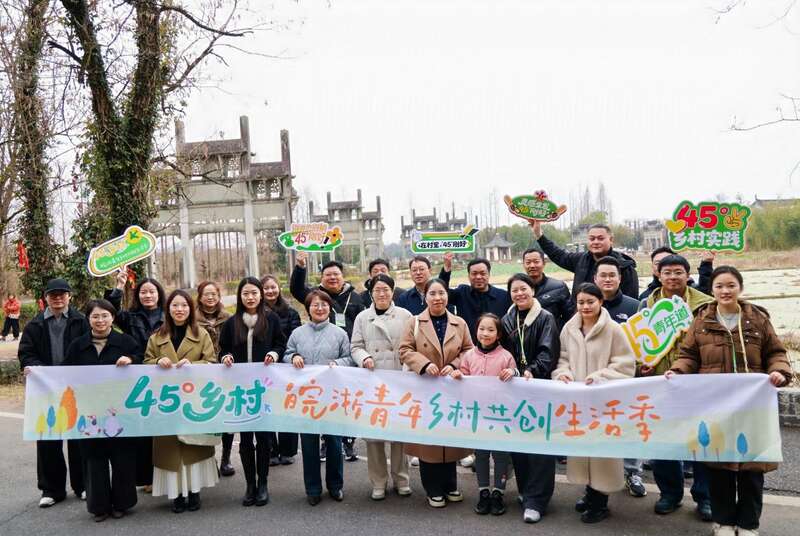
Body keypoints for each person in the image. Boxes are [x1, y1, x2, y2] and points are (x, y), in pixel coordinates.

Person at [667, 266, 793, 536]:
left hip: (753, 406)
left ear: (740, 288)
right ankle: (723, 522)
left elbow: (776, 352)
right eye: (720, 286)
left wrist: (779, 372)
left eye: (731, 285)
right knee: (719, 466)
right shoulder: (701, 320)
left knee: (752, 468)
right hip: (716, 406)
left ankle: (748, 524)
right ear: (712, 290)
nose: (725, 291)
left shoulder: (757, 318)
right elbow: (689, 355)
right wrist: (678, 371)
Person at [553, 283, 635, 523]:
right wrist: (563, 374)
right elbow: (562, 359)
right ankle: (590, 492)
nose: (585, 306)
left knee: (602, 452)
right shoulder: (569, 328)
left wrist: (601, 377)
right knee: (583, 448)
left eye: (590, 301)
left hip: (604, 402)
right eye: (581, 302)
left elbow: (625, 364)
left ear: (601, 302)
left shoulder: (614, 329)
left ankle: (600, 502)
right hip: (578, 402)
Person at [642, 254, 715, 521]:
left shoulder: (706, 305)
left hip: (697, 383)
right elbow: (640, 343)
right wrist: (643, 364)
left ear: (687, 274)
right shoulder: (646, 305)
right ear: (658, 275)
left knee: (702, 440)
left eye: (678, 272)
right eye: (667, 272)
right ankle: (670, 494)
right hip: (661, 384)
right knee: (663, 441)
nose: (672, 277)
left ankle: (705, 496)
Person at [63, 299, 141, 521]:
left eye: (105, 316)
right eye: (95, 316)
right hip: (89, 413)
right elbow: (63, 372)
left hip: (120, 411)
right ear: (88, 319)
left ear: (112, 318)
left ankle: (122, 503)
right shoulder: (77, 345)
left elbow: (142, 362)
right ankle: (99, 506)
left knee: (122, 458)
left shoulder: (126, 342)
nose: (100, 320)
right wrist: (37, 373)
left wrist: (131, 359)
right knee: (93, 460)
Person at [399, 278, 473, 509]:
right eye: (432, 293)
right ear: (426, 297)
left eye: (441, 293)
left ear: (447, 296)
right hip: (425, 389)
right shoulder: (414, 322)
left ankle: (450, 486)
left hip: (451, 389)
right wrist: (423, 364)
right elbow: (404, 350)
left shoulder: (459, 323)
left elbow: (468, 350)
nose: (437, 298)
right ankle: (433, 489)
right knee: (429, 443)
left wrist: (453, 365)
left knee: (449, 440)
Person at [144, 290, 218, 513]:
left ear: (190, 309)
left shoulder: (202, 334)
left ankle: (194, 492)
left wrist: (193, 366)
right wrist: (158, 361)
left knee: (192, 448)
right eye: (175, 305)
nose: (179, 310)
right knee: (171, 451)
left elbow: (211, 362)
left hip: (193, 400)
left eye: (184, 305)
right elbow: (145, 364)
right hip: (166, 402)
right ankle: (175, 494)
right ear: (168, 309)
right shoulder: (156, 337)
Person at [18, 278, 89, 507]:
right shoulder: (35, 325)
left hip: (75, 388)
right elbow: (26, 353)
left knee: (78, 438)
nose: (58, 298)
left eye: (62, 294)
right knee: (48, 438)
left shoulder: (81, 321)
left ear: (69, 296)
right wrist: (36, 368)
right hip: (46, 389)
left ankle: (83, 485)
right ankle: (51, 490)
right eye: (53, 295)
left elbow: (89, 349)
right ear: (45, 298)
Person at [290, 252, 364, 461]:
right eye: (328, 275)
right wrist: (300, 267)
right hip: (321, 362)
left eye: (336, 274)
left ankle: (348, 442)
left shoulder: (355, 298)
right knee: (323, 402)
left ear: (342, 276)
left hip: (346, 358)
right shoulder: (316, 296)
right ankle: (326, 441)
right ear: (322, 278)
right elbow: (296, 289)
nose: (332, 278)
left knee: (345, 401)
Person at [219, 277, 286, 507]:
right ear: (240, 296)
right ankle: (250, 485)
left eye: (254, 293)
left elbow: (280, 344)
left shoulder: (271, 319)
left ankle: (263, 483)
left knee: (264, 438)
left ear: (260, 295)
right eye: (246, 293)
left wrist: (274, 354)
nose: (250, 297)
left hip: (264, 388)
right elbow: (223, 348)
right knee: (246, 439)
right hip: (240, 390)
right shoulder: (231, 322)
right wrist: (226, 357)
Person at [282, 290, 354, 506]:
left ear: (329, 308)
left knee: (334, 442)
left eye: (324, 304)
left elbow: (350, 358)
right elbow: (286, 354)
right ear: (308, 308)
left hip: (332, 396)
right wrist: (294, 357)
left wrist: (337, 363)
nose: (320, 308)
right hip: (306, 397)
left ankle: (335, 485)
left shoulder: (340, 333)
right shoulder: (297, 334)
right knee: (309, 444)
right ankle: (312, 489)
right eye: (315, 305)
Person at [500, 274, 560, 523]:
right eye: (514, 290)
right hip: (514, 390)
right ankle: (526, 491)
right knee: (519, 444)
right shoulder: (506, 320)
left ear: (533, 290)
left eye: (523, 289)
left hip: (539, 388)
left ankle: (538, 500)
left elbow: (549, 352)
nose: (519, 294)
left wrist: (532, 370)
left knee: (540, 446)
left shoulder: (545, 318)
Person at [351, 274, 413, 500]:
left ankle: (402, 479)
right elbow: (355, 346)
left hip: (398, 380)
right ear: (371, 293)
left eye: (386, 289)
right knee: (374, 436)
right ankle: (378, 482)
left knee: (399, 434)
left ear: (392, 291)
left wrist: (407, 370)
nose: (382, 293)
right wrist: (364, 357)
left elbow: (412, 346)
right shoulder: (362, 317)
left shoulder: (405, 315)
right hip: (373, 381)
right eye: (377, 290)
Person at [450, 313, 516, 516]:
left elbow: (516, 381)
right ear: (475, 331)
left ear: (498, 334)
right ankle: (484, 492)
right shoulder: (469, 356)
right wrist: (458, 375)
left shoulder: (506, 356)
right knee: (481, 454)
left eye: (491, 330)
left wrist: (513, 373)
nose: (485, 333)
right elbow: (463, 376)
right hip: (477, 415)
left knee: (500, 455)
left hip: (500, 416)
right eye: (481, 329)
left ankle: (498, 493)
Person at [592, 256, 647, 498]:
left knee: (629, 425)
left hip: (626, 380)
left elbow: (645, 345)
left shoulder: (635, 307)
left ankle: (632, 472)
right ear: (595, 278)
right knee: (597, 429)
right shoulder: (588, 307)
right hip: (596, 379)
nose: (607, 279)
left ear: (620, 278)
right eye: (602, 275)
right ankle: (597, 481)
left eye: (611, 275)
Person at [106, 272, 166, 492]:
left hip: (165, 376)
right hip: (138, 377)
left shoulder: (169, 315)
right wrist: (119, 286)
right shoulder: (130, 317)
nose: (148, 296)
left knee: (165, 427)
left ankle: (166, 473)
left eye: (152, 292)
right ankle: (147, 477)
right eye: (143, 292)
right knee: (143, 429)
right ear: (137, 295)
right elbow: (110, 309)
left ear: (159, 294)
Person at [531, 221, 638, 299]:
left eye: (600, 238)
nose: (595, 242)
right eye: (592, 239)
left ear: (611, 240)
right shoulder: (581, 260)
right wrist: (539, 235)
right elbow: (558, 255)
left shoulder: (625, 267)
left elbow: (630, 302)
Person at [194, 281, 235, 477]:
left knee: (227, 417)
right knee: (206, 417)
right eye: (206, 294)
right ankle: (210, 459)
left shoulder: (229, 318)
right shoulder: (192, 319)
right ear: (200, 297)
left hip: (226, 373)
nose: (210, 297)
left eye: (214, 294)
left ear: (219, 296)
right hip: (201, 374)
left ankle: (226, 458)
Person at [261, 274, 302, 466]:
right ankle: (270, 450)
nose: (270, 291)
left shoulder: (291, 312)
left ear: (279, 288)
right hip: (265, 366)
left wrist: (285, 354)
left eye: (273, 287)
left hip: (286, 365)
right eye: (266, 288)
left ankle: (287, 450)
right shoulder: (256, 313)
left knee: (287, 406)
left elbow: (295, 338)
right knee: (267, 408)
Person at [439, 255, 511, 343]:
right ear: (468, 276)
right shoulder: (462, 293)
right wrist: (446, 270)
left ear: (489, 274)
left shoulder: (503, 296)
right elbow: (441, 292)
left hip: (497, 347)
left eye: (483, 273)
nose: (478, 277)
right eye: (474, 273)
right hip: (468, 346)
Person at [521, 248, 574, 331]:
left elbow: (570, 317)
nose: (532, 265)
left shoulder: (559, 287)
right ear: (523, 265)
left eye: (536, 262)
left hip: (554, 335)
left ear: (544, 263)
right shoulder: (518, 290)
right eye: (528, 262)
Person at [639, 247, 715, 300]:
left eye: (678, 272)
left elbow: (706, 290)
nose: (672, 277)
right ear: (652, 267)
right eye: (658, 263)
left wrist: (706, 263)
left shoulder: (696, 294)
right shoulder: (646, 299)